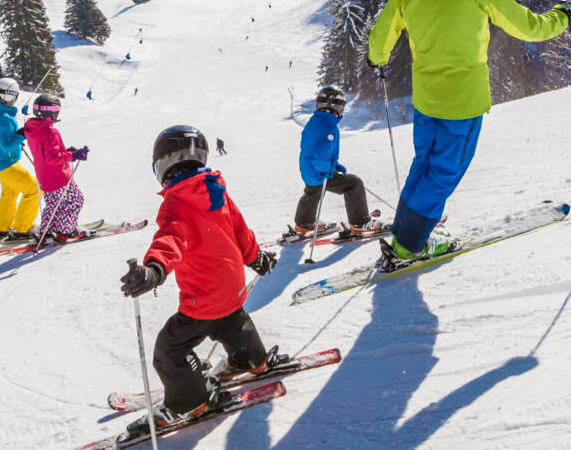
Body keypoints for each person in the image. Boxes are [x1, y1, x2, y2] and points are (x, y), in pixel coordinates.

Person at [367, 0, 571, 265]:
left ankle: (407, 232)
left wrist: (377, 60)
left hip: (426, 100)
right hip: (463, 102)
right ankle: (410, 245)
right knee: (444, 172)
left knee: (424, 164)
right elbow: (529, 28)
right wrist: (562, 17)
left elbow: (379, 40)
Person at [119, 126, 278, 432]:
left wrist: (154, 269)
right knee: (231, 320)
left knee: (170, 350)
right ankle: (250, 358)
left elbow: (170, 240)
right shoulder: (216, 191)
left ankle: (188, 401)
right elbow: (240, 231)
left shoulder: (176, 203)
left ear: (163, 163)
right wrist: (256, 258)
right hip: (232, 289)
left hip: (203, 299)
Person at [293, 87, 385, 237]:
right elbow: (320, 154)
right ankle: (360, 223)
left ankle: (304, 223)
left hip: (308, 169)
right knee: (354, 184)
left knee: (313, 192)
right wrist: (326, 170)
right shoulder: (329, 127)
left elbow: (314, 147)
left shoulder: (315, 121)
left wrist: (334, 165)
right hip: (319, 171)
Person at [0, 78, 40, 240]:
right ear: (9, 96)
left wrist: (17, 137)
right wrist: (21, 134)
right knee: (34, 188)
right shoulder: (2, 118)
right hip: (4, 163)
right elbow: (6, 145)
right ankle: (23, 229)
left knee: (10, 192)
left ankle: (2, 228)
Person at [23, 94, 89, 240]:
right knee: (75, 200)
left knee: (54, 204)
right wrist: (74, 156)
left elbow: (47, 152)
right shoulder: (50, 131)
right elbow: (52, 157)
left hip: (44, 177)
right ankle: (65, 231)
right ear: (52, 112)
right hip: (58, 177)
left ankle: (47, 230)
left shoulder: (32, 129)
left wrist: (68, 152)